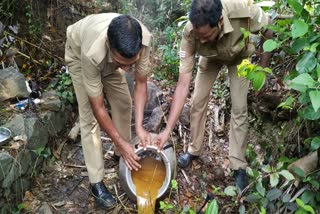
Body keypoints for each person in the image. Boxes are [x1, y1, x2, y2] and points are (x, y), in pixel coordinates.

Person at [153, 0, 273, 191]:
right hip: (210, 58)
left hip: (239, 58)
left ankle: (238, 165)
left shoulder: (243, 8)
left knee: (240, 108)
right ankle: (194, 149)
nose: (201, 40)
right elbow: (183, 84)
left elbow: (269, 29)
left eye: (206, 36)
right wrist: (167, 130)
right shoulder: (191, 32)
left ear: (219, 21)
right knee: (197, 101)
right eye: (199, 36)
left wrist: (263, 67)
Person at [65, 13, 152, 209]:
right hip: (79, 55)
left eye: (130, 64)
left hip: (109, 59)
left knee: (123, 101)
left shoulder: (143, 40)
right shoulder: (91, 53)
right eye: (122, 64)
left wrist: (139, 128)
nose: (126, 69)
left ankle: (122, 155)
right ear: (108, 45)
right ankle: (96, 183)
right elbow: (98, 107)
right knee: (88, 118)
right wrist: (119, 141)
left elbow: (140, 83)